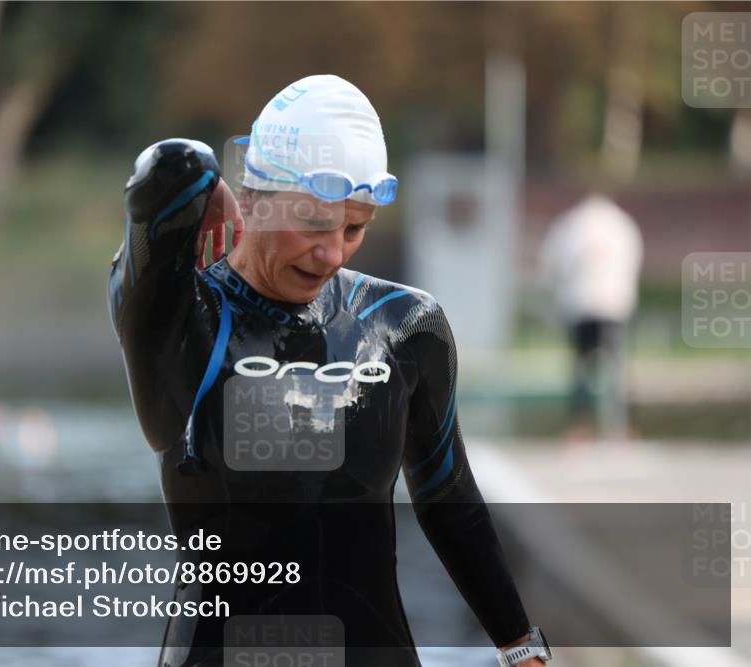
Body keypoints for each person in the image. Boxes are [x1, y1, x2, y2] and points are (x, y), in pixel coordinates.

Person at [109, 75, 550, 666]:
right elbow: (168, 171)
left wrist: (522, 649)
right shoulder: (187, 321)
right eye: (314, 223)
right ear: (255, 197)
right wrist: (205, 189)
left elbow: (448, 497)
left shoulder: (403, 324)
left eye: (355, 227)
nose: (333, 252)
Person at [538, 193, 644, 441]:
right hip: (613, 306)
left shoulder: (570, 225)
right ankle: (620, 427)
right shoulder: (621, 224)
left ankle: (580, 426)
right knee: (617, 368)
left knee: (581, 369)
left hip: (581, 305)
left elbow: (552, 263)